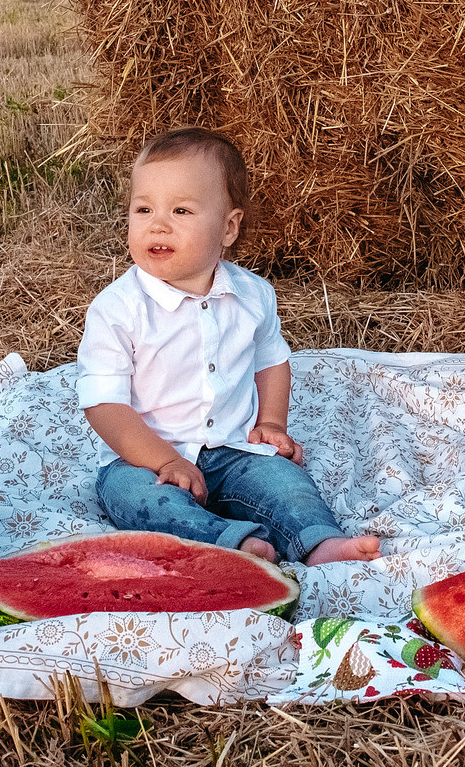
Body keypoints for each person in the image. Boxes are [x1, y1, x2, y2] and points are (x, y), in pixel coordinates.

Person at [76, 127, 381, 567]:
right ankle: (229, 543)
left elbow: (272, 361)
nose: (157, 223)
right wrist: (165, 461)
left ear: (228, 227)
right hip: (141, 459)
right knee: (136, 502)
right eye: (143, 208)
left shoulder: (253, 294)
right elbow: (105, 405)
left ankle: (318, 542)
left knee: (285, 483)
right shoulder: (118, 309)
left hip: (234, 449)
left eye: (180, 210)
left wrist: (272, 423)